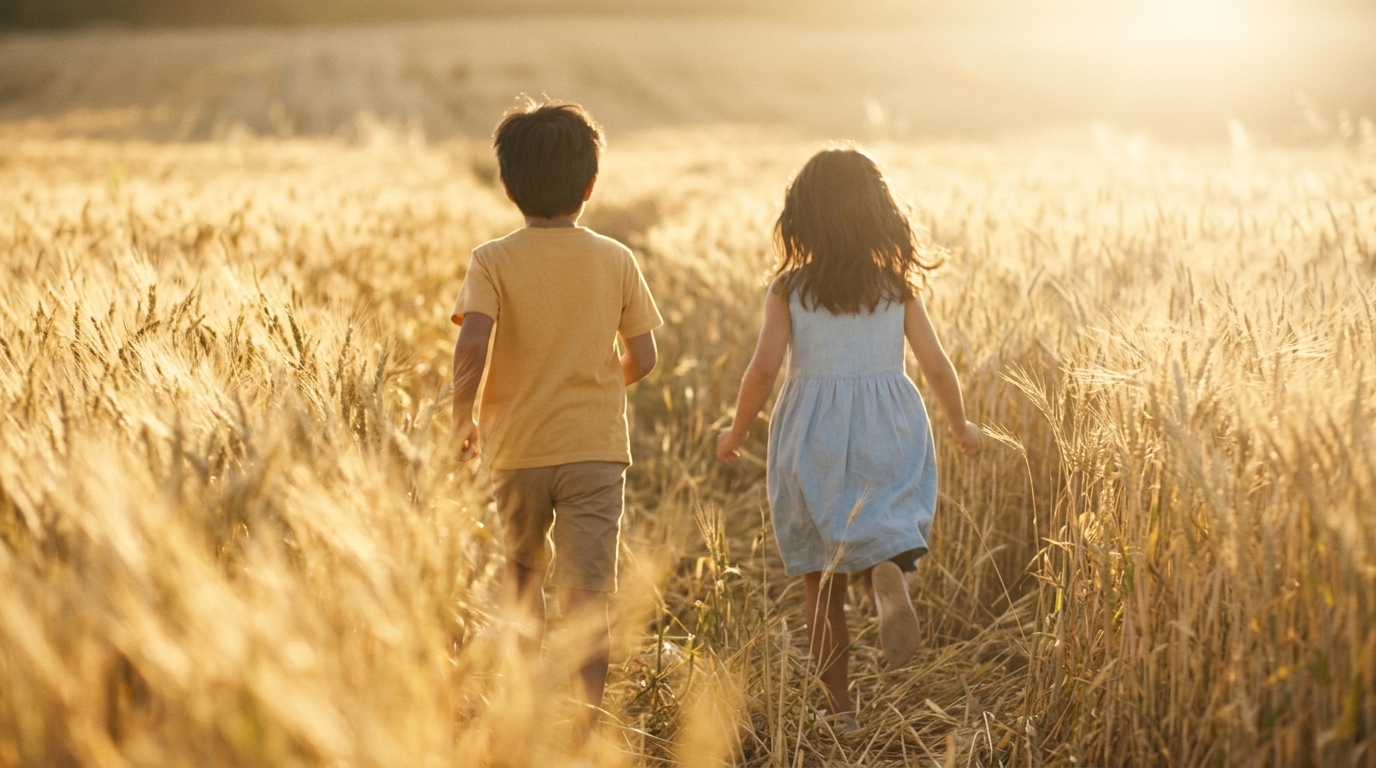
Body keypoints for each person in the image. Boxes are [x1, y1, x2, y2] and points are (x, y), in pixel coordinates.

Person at [716, 146, 982, 734]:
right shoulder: (896, 287)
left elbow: (762, 370)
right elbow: (936, 364)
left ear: (801, 216)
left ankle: (840, 711)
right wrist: (960, 425)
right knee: (879, 523)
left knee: (820, 578)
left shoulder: (789, 290)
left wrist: (736, 429)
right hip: (888, 425)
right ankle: (887, 572)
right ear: (878, 214)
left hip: (815, 433)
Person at [449, 99, 662, 739]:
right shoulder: (616, 258)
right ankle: (588, 726)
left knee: (520, 580)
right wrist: (596, 388)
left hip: (516, 448)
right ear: (591, 186)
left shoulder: (491, 259)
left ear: (508, 185)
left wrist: (465, 417)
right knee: (587, 593)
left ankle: (523, 708)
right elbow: (644, 355)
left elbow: (471, 344)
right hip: (595, 449)